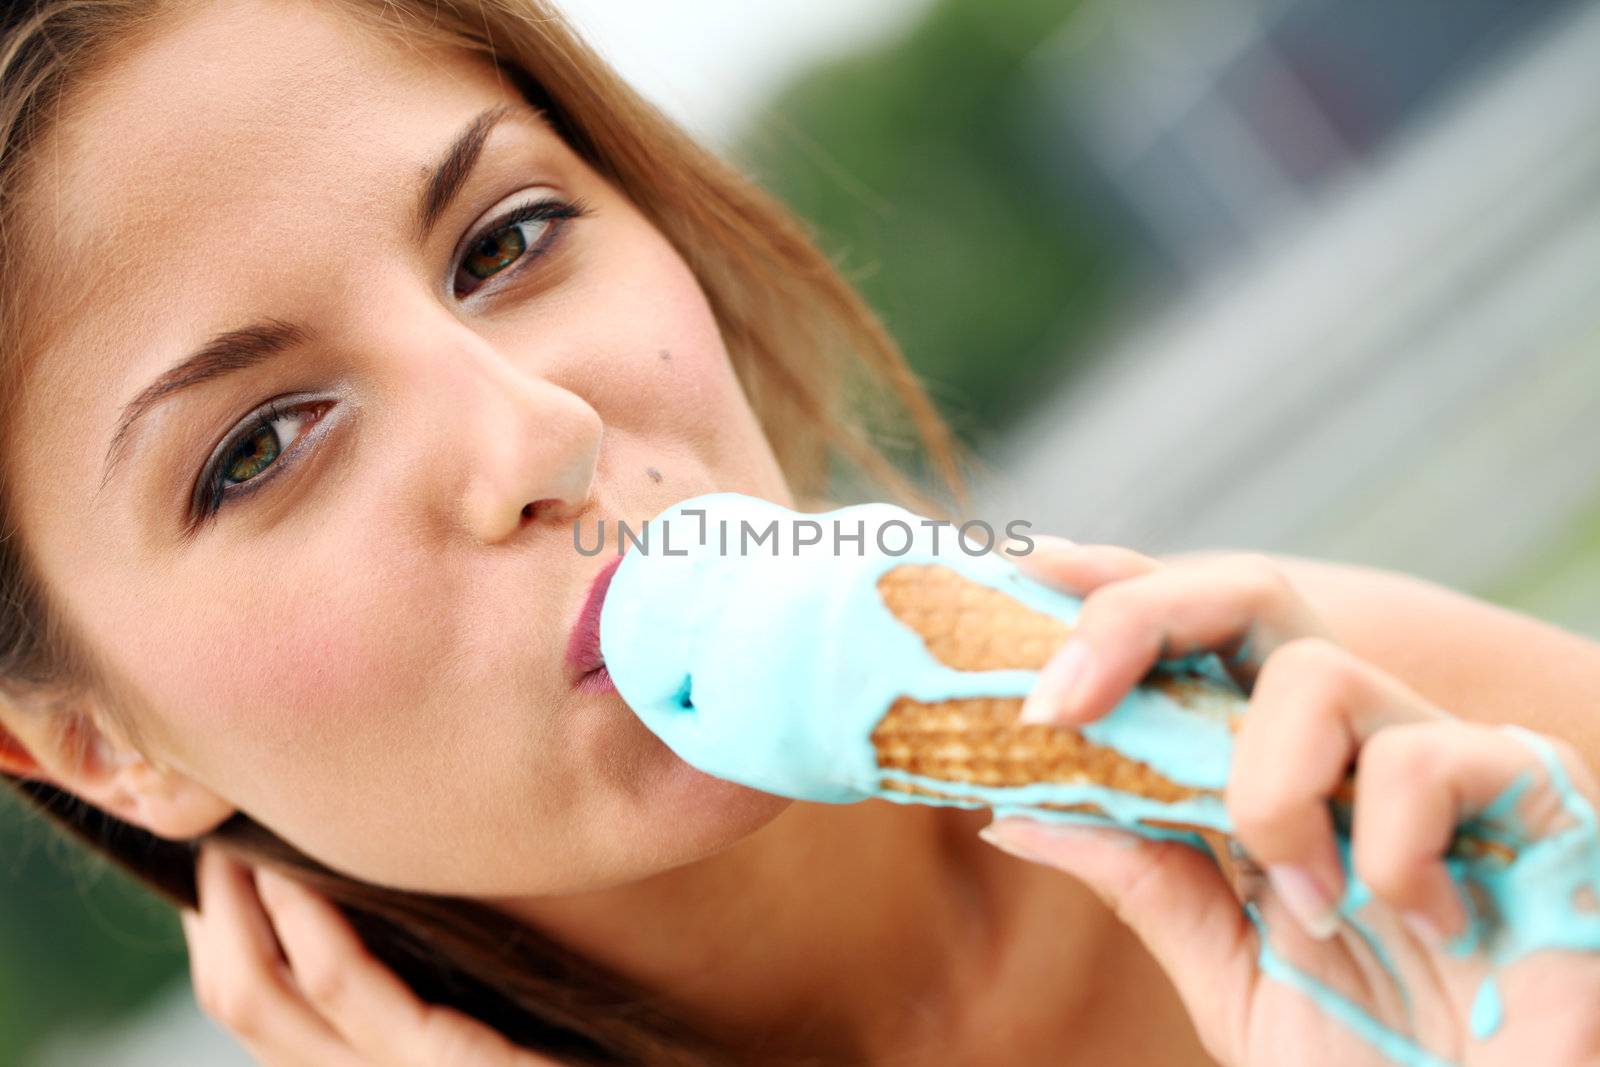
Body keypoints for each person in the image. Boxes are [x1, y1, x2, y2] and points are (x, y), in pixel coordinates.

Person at [3, 2, 1600, 1065]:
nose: (536, 433)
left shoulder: (1407, 782)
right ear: (90, 746)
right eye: (262, 448)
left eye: (509, 239)